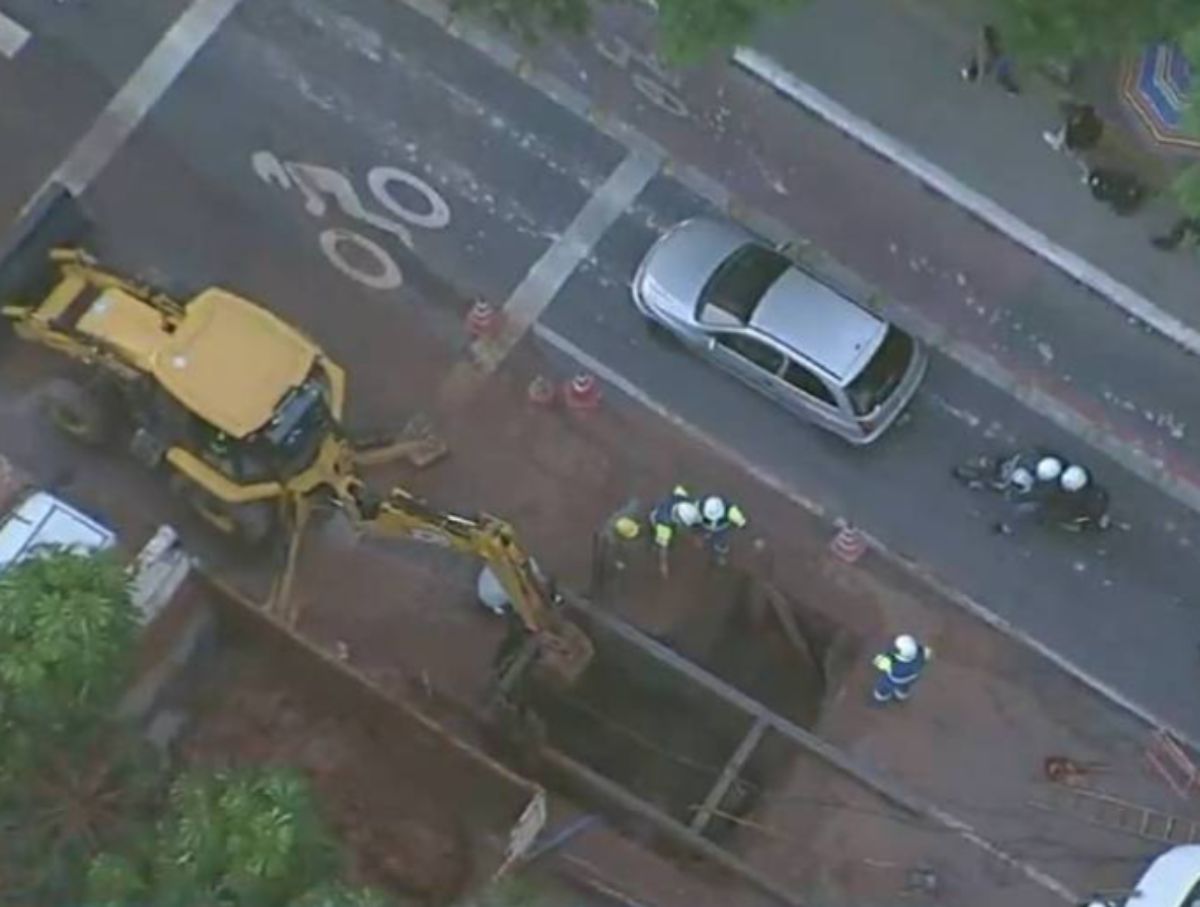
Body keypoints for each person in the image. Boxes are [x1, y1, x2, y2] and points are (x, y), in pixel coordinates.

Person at [648, 485, 700, 577]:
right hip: (657, 519)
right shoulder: (664, 526)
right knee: (663, 542)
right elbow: (663, 549)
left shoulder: (682, 498)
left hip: (664, 506)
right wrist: (663, 565)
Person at [871, 634, 933, 705]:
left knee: (884, 687)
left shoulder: (891, 658)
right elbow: (928, 653)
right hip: (911, 678)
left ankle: (881, 696)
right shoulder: (922, 653)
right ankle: (902, 694)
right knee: (904, 687)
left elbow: (878, 663)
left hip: (892, 679)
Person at [961, 25, 1019, 94]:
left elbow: (982, 63)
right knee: (1001, 77)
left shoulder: (981, 53)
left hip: (996, 60)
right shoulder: (981, 53)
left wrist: (980, 78)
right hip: (995, 60)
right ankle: (1012, 89)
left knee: (1001, 77)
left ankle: (1013, 89)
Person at [697, 494, 747, 565]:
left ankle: (719, 545)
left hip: (721, 529)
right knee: (707, 534)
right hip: (707, 528)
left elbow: (739, 519)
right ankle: (709, 539)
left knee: (720, 538)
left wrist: (741, 523)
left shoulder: (729, 510)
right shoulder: (700, 506)